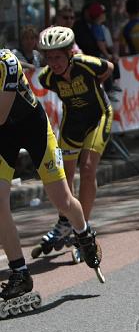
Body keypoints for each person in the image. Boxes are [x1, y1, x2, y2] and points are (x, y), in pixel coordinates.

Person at [0, 48, 104, 312]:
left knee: (62, 200)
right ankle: (20, 273)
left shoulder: (7, 62)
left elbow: (1, 114)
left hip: (32, 128)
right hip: (4, 137)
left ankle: (84, 233)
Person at [36, 26, 114, 264]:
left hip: (98, 117)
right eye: (49, 58)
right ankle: (64, 222)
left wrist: (96, 85)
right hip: (73, 123)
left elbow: (109, 68)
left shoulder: (85, 63)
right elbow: (46, 81)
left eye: (58, 57)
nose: (54, 63)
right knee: (64, 176)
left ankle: (83, 233)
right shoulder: (47, 77)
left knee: (88, 169)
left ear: (70, 53)